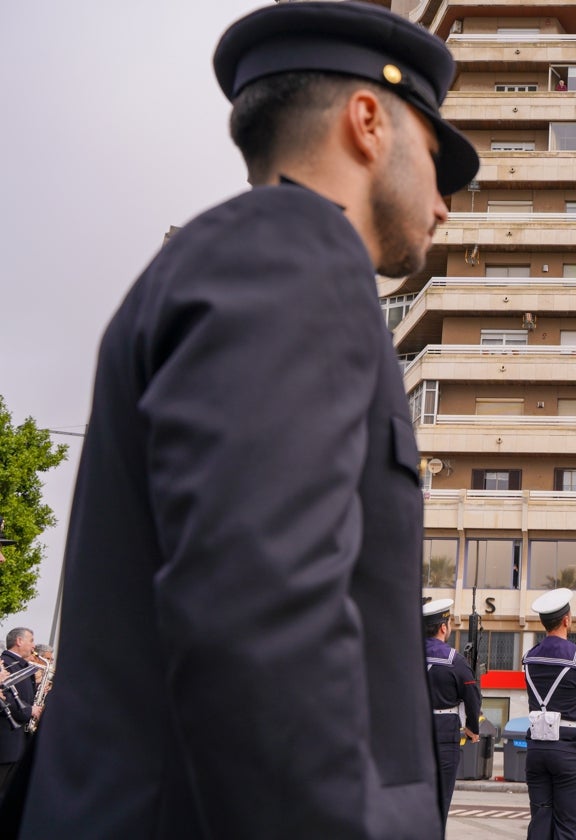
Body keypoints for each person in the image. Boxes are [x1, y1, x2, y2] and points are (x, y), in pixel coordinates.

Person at [6, 4, 480, 838]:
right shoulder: (298, 256)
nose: (445, 204)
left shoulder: (217, 259)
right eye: (440, 161)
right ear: (368, 121)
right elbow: (260, 609)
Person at [523, 588, 576, 840]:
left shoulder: (529, 657)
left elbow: (557, 658)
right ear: (567, 620)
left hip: (537, 749)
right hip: (570, 749)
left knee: (541, 820)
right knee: (569, 826)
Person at [423, 599, 482, 822]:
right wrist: (472, 728)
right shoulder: (454, 660)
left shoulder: (408, 655)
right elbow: (472, 697)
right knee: (439, 804)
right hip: (443, 738)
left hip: (412, 735)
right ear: (443, 627)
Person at [0, 629, 38, 796]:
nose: (33, 645)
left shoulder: (21, 666)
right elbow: (7, 700)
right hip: (6, 740)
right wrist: (30, 710)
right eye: (31, 640)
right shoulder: (6, 663)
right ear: (19, 641)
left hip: (18, 741)